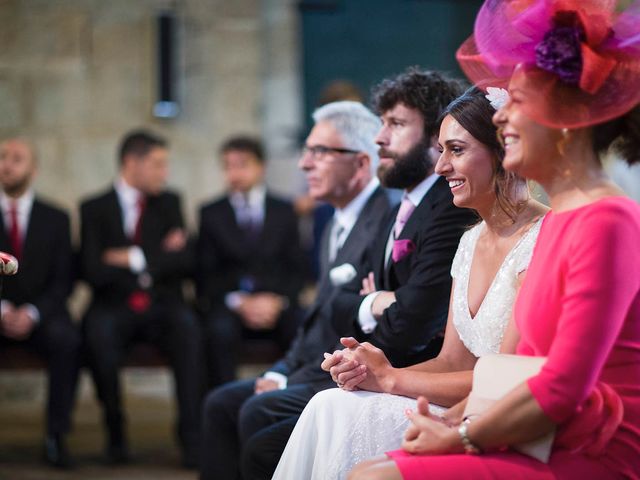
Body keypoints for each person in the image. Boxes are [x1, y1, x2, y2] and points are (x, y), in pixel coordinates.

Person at [351, 1, 640, 478]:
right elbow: (514, 370)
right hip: (542, 432)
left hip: (591, 448)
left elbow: (561, 385)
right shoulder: (563, 220)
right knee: (367, 463)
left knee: (372, 476)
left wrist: (461, 435)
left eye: (518, 102)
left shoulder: (607, 219)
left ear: (563, 120)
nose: (501, 117)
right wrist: (451, 417)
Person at [273, 87, 548, 480]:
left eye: (456, 150)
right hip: (465, 399)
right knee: (328, 404)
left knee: (332, 413)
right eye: (441, 151)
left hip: (497, 415)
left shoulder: (542, 239)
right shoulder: (469, 241)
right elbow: (453, 361)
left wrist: (393, 379)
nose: (439, 168)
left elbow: (505, 379)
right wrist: (373, 373)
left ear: (503, 151)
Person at [241, 69, 476, 480]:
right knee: (257, 419)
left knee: (265, 436)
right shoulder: (400, 207)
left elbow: (412, 324)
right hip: (378, 364)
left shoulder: (448, 213)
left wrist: (373, 334)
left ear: (434, 136)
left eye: (396, 124)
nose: (380, 137)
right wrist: (375, 301)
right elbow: (340, 302)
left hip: (410, 372)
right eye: (381, 123)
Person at [199, 101, 391, 480]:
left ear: (361, 163)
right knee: (219, 403)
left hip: (338, 374)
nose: (304, 165)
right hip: (305, 364)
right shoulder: (336, 220)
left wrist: (287, 378)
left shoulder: (380, 222)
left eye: (319, 152)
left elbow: (369, 329)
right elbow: (316, 318)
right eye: (307, 152)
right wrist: (281, 370)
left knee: (256, 412)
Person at [80, 130, 202, 467]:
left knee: (189, 330)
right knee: (97, 334)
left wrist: (129, 257)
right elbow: (91, 269)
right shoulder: (94, 208)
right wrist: (155, 255)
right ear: (132, 162)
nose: (165, 173)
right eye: (158, 164)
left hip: (163, 305)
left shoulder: (170, 202)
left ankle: (191, 439)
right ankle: (115, 433)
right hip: (113, 306)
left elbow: (186, 262)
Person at [196, 136, 306, 388]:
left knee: (304, 327)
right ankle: (224, 407)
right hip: (232, 303)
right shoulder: (211, 213)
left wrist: (277, 300)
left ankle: (294, 404)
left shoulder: (284, 210)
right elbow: (205, 273)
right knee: (216, 331)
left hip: (277, 302)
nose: (234, 173)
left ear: (261, 167)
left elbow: (297, 268)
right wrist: (240, 302)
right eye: (228, 166)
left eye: (242, 165)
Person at [0, 138, 80, 468]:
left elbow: (64, 280)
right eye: (2, 157)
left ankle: (56, 436)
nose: (7, 164)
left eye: (17, 158)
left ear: (34, 170)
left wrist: (32, 313)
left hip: (42, 314)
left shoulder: (56, 218)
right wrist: (3, 310)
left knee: (69, 340)